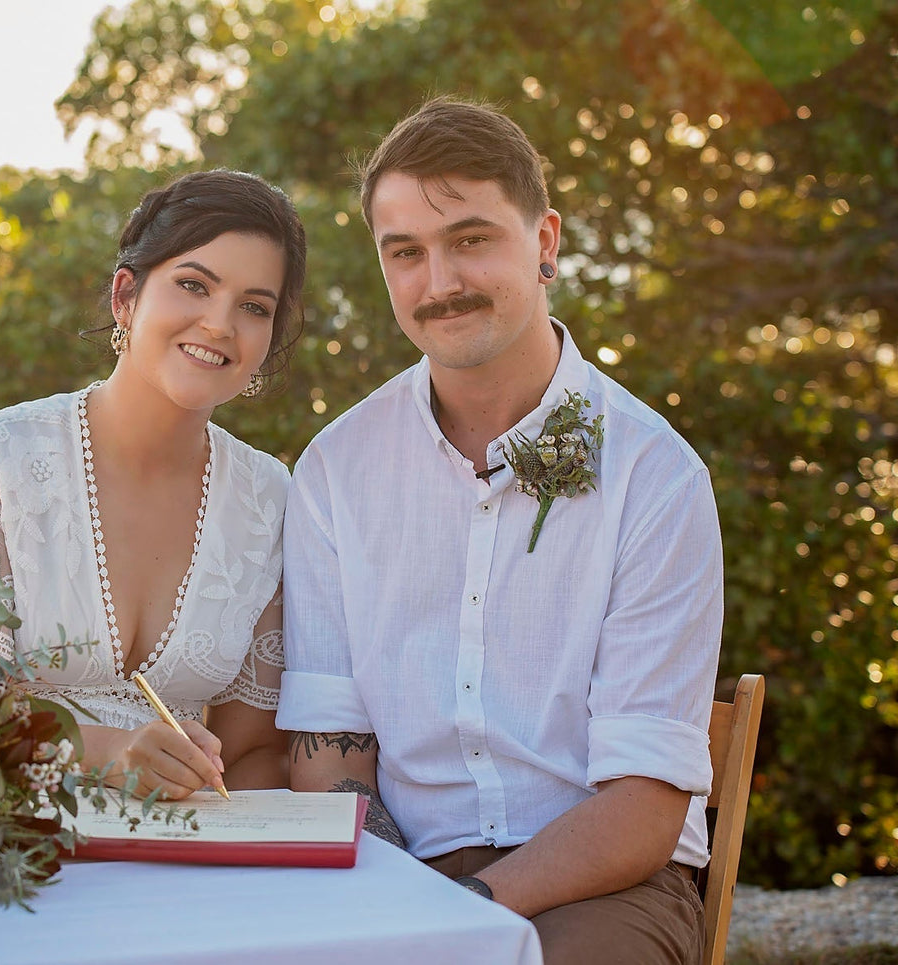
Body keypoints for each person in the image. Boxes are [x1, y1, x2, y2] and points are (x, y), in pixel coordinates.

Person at [275, 97, 722, 964]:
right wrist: (390, 901)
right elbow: (330, 749)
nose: (438, 282)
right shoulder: (333, 469)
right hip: (402, 870)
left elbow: (644, 807)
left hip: (606, 885)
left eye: (471, 238)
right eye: (405, 253)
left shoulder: (655, 475)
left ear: (545, 240)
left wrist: (458, 913)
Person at [0, 169, 306, 802]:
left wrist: (224, 803)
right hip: (5, 844)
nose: (219, 323)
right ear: (126, 295)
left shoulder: (270, 498)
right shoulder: (0, 455)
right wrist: (106, 753)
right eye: (193, 285)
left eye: (254, 307)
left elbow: (253, 749)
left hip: (182, 857)